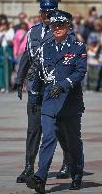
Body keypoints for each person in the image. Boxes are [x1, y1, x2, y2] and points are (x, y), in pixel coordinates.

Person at [26, 10, 87, 193]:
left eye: (61, 25)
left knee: (73, 141)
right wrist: (34, 95)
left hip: (70, 102)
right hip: (49, 101)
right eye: (54, 25)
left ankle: (77, 174)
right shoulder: (45, 47)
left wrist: (64, 84)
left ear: (68, 26)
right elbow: (37, 72)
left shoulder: (77, 46)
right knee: (48, 138)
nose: (57, 28)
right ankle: (40, 177)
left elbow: (80, 72)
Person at [16, 0, 74, 184]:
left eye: (50, 13)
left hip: (54, 89)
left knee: (58, 128)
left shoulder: (63, 32)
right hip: (35, 88)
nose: (47, 16)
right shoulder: (33, 32)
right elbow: (27, 55)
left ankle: (68, 161)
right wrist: (19, 80)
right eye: (44, 12)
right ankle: (28, 167)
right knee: (33, 129)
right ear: (40, 13)